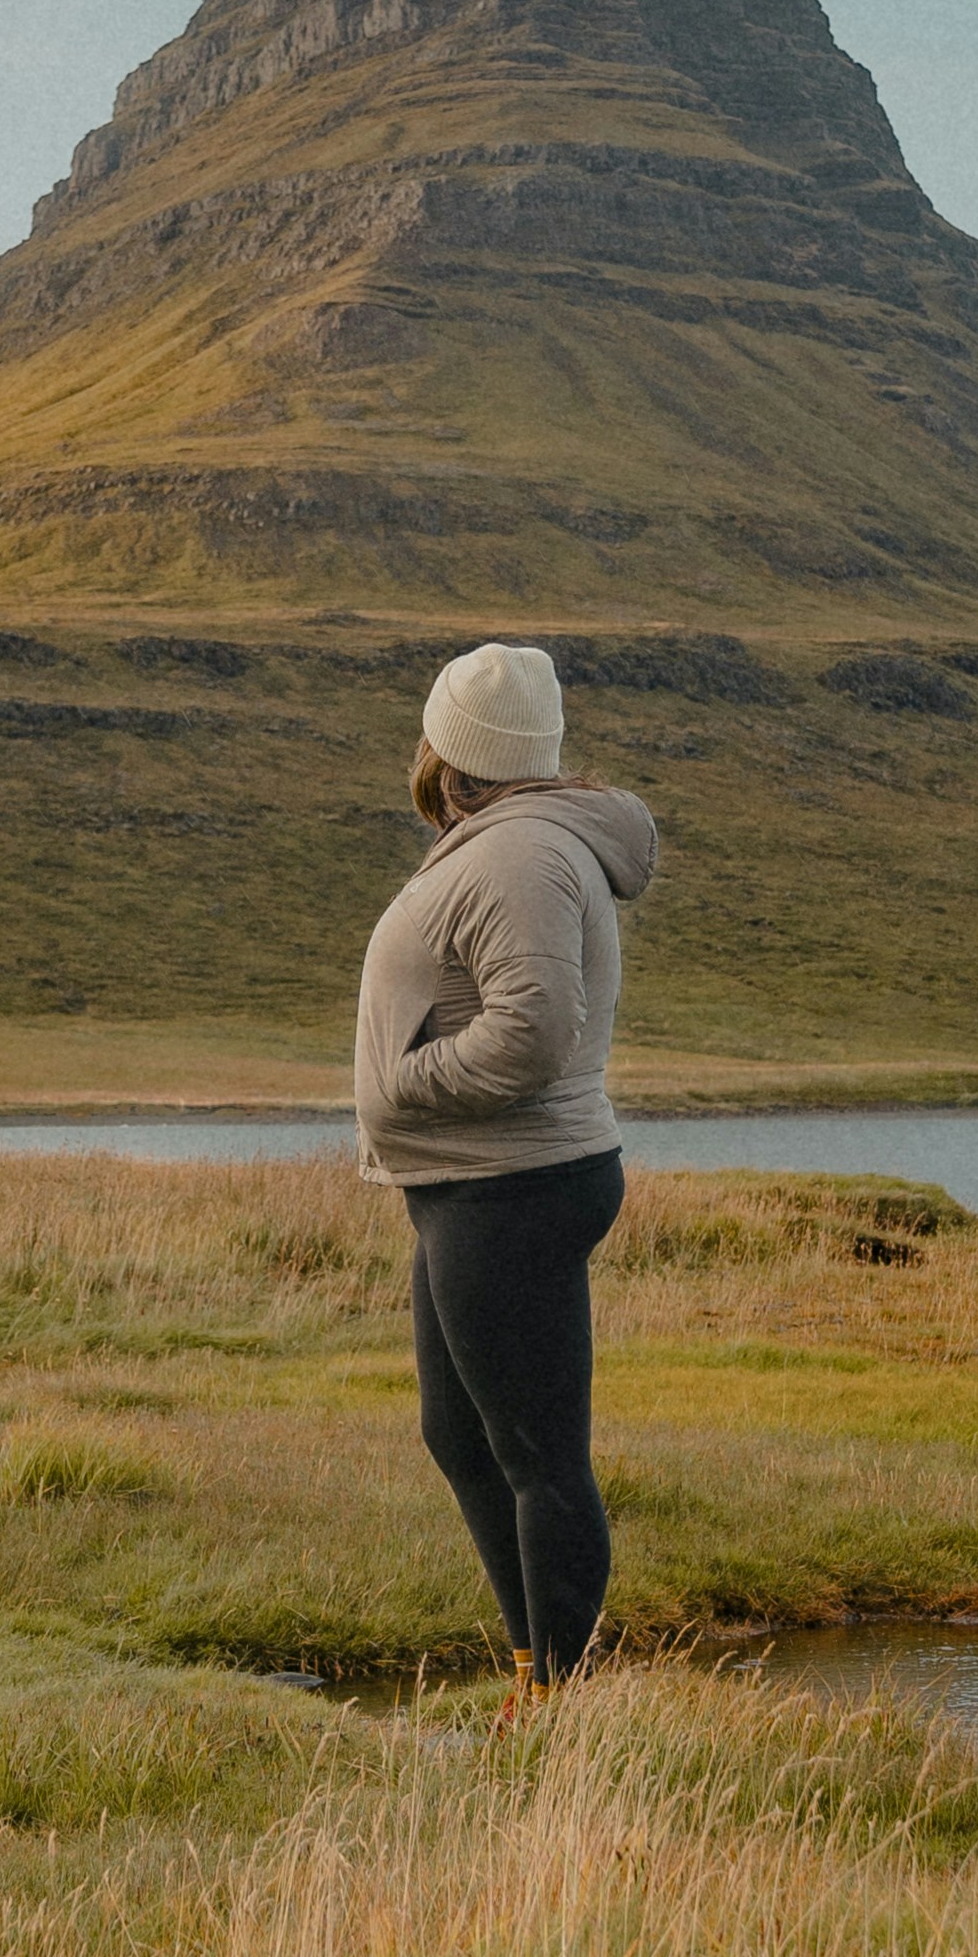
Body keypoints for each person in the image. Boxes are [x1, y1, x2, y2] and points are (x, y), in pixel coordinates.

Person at [352, 638, 659, 1697]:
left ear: (451, 747)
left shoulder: (517, 855)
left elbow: (529, 1034)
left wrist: (405, 1082)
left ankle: (559, 1704)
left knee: (537, 1458)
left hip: (509, 1185)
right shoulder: (505, 842)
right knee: (462, 1435)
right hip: (475, 1184)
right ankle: (535, 1669)